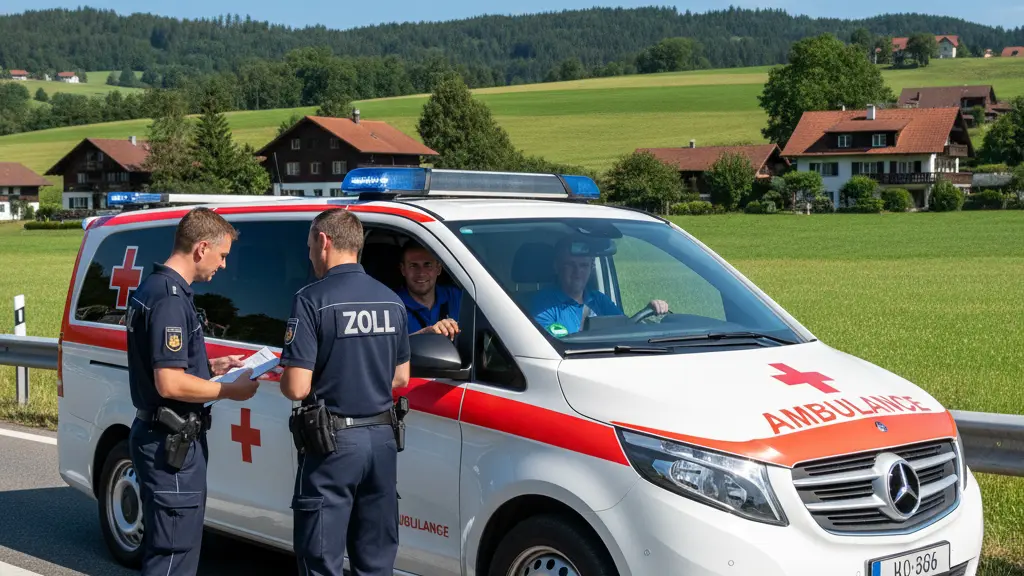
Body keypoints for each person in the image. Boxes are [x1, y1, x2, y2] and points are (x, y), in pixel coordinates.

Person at [126, 207, 260, 576]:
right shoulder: (170, 298)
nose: (223, 266)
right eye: (222, 256)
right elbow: (169, 382)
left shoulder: (156, 288)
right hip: (171, 443)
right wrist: (230, 391)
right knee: (173, 556)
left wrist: (213, 368)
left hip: (166, 438)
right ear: (202, 248)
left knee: (173, 550)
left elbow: (166, 364)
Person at [280, 209, 410, 576]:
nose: (309, 255)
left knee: (321, 557)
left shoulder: (311, 299)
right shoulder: (391, 300)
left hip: (333, 443)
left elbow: (297, 387)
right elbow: (400, 378)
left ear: (324, 241)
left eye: (309, 247)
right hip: (383, 440)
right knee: (376, 559)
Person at [531, 236, 669, 337]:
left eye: (583, 265)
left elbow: (625, 328)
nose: (577, 271)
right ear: (557, 267)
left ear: (591, 268)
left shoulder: (599, 300)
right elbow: (549, 346)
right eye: (570, 265)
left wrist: (649, 309)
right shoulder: (543, 304)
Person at [397, 240, 461, 340]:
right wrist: (426, 334)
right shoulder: (392, 306)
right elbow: (390, 349)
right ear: (403, 269)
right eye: (414, 265)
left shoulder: (457, 296)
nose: (421, 273)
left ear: (438, 268)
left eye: (427, 265)